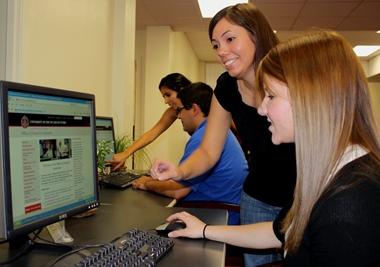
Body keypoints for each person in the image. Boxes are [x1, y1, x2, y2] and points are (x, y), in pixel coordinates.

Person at [161, 30, 380, 266]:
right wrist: (204, 230)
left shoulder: (348, 208)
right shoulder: (327, 172)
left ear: (311, 99)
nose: (262, 109)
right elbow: (279, 232)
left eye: (271, 97)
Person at [150, 3, 296, 266]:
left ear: (256, 36)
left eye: (230, 39)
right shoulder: (227, 87)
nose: (222, 52)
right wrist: (179, 172)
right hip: (257, 197)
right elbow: (208, 151)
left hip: (300, 195)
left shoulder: (291, 79)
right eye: (216, 45)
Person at [132, 82, 248, 225]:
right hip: (224, 212)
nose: (179, 116)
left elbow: (178, 192)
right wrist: (175, 172)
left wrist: (147, 183)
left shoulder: (203, 137)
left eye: (179, 110)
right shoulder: (214, 131)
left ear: (194, 109)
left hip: (214, 215)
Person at [105, 73, 192, 170]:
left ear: (182, 90)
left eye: (168, 95)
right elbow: (152, 133)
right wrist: (126, 153)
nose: (166, 101)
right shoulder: (172, 112)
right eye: (164, 97)